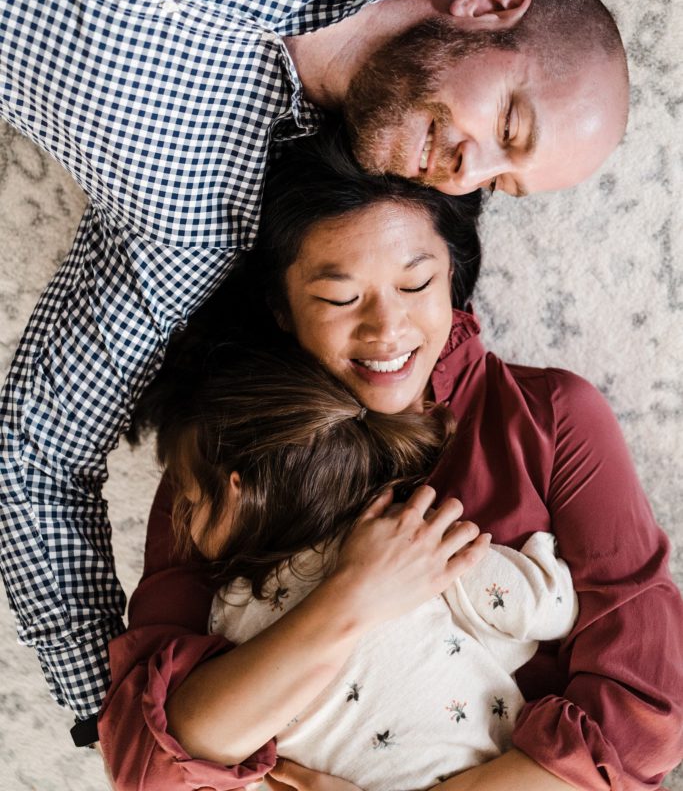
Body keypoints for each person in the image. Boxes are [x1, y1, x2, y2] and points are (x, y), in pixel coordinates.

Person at [0, 0, 631, 747]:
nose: (467, 172)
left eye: (499, 183)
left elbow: (34, 453)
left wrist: (106, 709)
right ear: (491, 4)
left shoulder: (207, 229)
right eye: (507, 120)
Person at [99, 128, 683, 791]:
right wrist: (353, 598)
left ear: (453, 279)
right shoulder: (222, 453)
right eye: (339, 299)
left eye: (415, 285)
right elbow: (150, 765)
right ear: (281, 310)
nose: (386, 332)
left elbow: (642, 721)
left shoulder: (552, 416)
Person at [122, 343, 579, 791]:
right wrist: (542, 554)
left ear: (237, 490)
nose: (179, 517)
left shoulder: (226, 614)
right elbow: (547, 610)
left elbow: (243, 765)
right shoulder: (405, 542)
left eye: (190, 499)